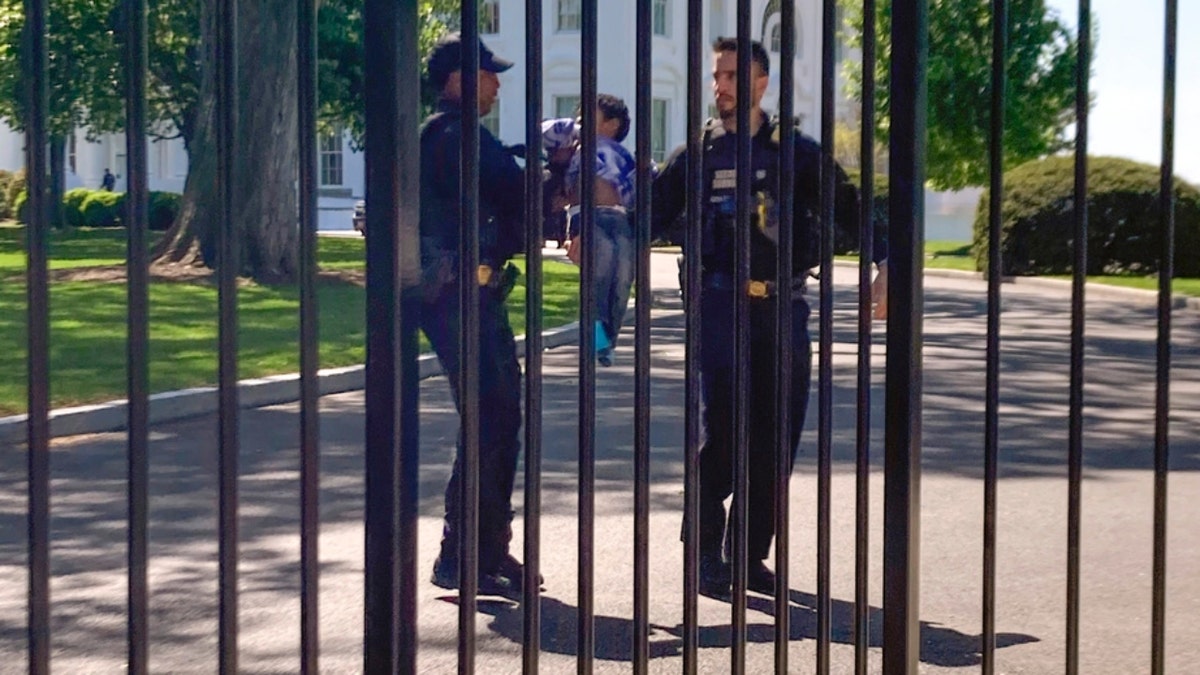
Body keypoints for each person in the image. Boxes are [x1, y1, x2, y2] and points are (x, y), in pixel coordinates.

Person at [651, 37, 888, 597]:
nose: (721, 86)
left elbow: (851, 210)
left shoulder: (796, 152)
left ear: (761, 81)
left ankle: (748, 556)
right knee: (724, 434)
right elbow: (650, 215)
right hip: (717, 305)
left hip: (783, 306)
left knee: (776, 437)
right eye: (716, 76)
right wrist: (597, 236)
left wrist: (887, 265)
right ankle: (706, 551)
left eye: (732, 76)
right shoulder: (698, 154)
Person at [419, 33, 530, 598]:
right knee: (491, 419)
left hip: (474, 294)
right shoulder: (456, 135)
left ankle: (483, 550)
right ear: (460, 79)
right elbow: (517, 196)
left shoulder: (455, 137)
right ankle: (461, 554)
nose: (497, 83)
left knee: (498, 418)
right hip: (458, 296)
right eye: (490, 73)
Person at [541, 94, 639, 366]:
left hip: (619, 218)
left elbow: (641, 185)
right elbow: (543, 132)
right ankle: (596, 341)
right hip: (588, 217)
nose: (581, 121)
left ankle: (608, 338)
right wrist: (574, 130)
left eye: (589, 117)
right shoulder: (577, 149)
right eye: (580, 117)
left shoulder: (620, 154)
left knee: (622, 279)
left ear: (612, 124)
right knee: (600, 271)